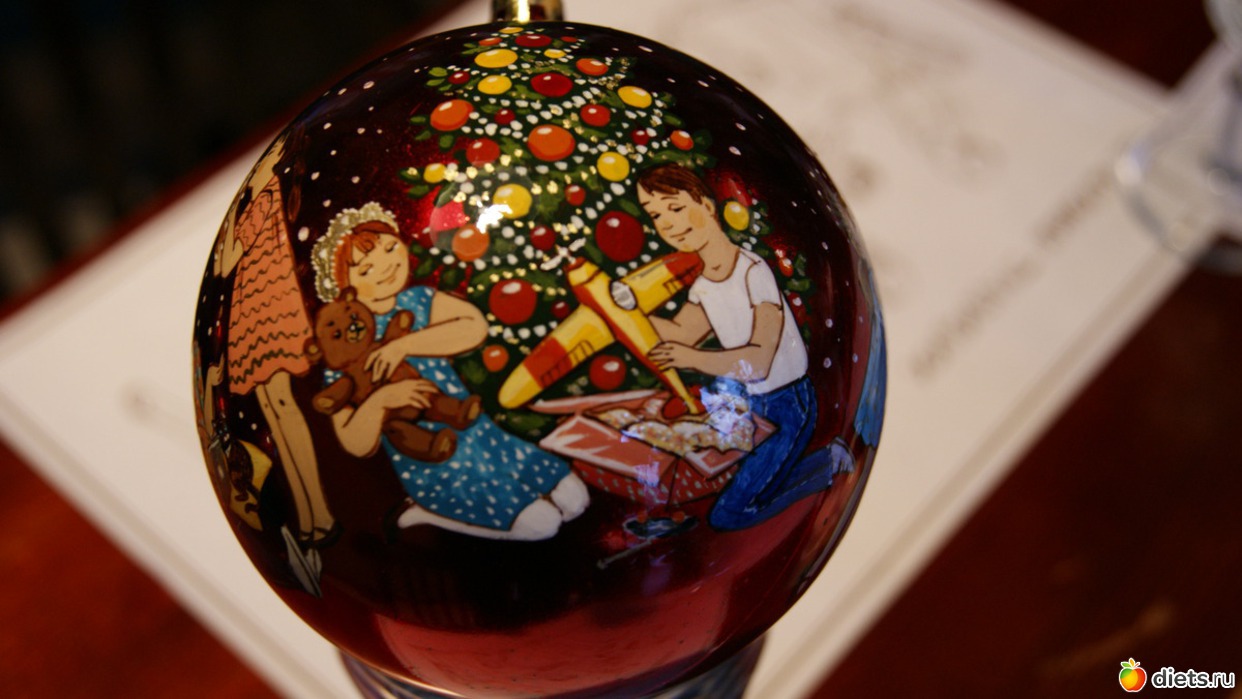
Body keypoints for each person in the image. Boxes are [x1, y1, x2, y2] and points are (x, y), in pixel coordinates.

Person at [312, 202, 588, 541]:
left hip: (484, 437)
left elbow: (473, 327)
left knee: (575, 497)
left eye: (390, 249)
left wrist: (403, 345)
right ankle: (429, 513)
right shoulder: (343, 355)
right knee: (540, 524)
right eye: (366, 269)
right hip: (434, 460)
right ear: (346, 287)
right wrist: (382, 399)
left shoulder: (417, 301)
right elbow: (355, 442)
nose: (386, 267)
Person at [638, 164, 852, 530]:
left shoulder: (753, 271)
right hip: (755, 407)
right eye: (656, 215)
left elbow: (759, 361)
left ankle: (828, 465)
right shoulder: (704, 284)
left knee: (730, 514)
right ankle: (826, 461)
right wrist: (629, 313)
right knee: (736, 480)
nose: (668, 224)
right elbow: (680, 333)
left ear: (707, 205)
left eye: (675, 207)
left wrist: (692, 359)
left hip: (787, 406)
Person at [214, 130, 337, 550]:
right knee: (273, 409)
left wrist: (232, 233)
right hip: (253, 305)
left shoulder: (265, 196)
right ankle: (309, 514)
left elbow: (228, 261)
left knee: (282, 406)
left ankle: (318, 512)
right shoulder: (260, 198)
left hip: (269, 305)